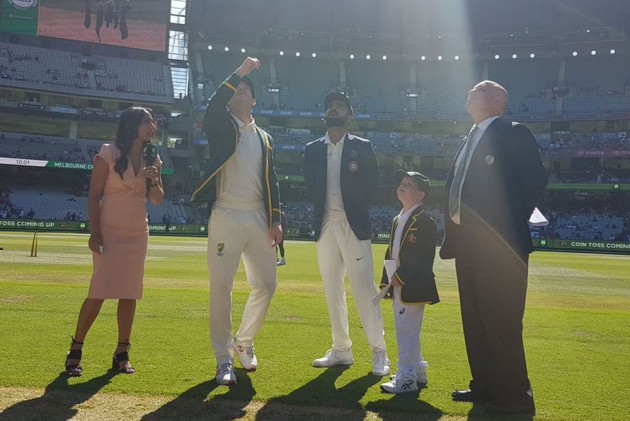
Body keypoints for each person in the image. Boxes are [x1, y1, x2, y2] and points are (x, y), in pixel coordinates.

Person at [441, 80, 547, 415]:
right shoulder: (469, 137)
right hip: (467, 246)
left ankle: (515, 392)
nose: (468, 93)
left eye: (477, 90)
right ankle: (485, 385)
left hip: (499, 247)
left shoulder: (513, 132)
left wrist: (501, 225)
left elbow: (535, 181)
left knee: (502, 318)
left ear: (497, 100)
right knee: (474, 318)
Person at [190, 57, 282, 386]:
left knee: (267, 285)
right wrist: (240, 72)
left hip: (258, 215)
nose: (241, 91)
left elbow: (272, 179)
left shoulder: (265, 138)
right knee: (221, 286)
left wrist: (276, 219)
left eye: (246, 89)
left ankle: (244, 340)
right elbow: (213, 106)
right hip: (226, 212)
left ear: (254, 100)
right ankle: (222, 358)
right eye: (237, 88)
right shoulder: (220, 124)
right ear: (230, 95)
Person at [64, 107, 163, 377]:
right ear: (132, 124)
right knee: (99, 291)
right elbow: (94, 196)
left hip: (137, 233)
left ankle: (122, 352)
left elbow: (156, 199)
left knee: (130, 293)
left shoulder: (152, 157)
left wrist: (153, 180)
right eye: (146, 121)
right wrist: (95, 233)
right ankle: (76, 347)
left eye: (153, 121)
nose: (152, 126)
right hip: (108, 232)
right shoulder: (107, 153)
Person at [304, 92, 389, 377]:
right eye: (330, 105)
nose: (334, 108)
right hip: (325, 225)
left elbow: (374, 187)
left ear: (349, 116)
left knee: (365, 290)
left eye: (340, 106)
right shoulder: (313, 148)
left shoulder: (362, 147)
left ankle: (379, 350)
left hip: (354, 225)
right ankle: (341, 349)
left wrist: (353, 206)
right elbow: (310, 186)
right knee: (332, 290)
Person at [379, 170, 439, 394]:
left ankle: (405, 378)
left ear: (421, 194)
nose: (401, 186)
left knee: (406, 331)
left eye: (408, 184)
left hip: (412, 286)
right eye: (401, 183)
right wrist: (387, 280)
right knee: (408, 329)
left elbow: (423, 259)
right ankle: (417, 371)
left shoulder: (425, 222)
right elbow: (392, 252)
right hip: (398, 284)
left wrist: (400, 277)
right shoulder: (398, 218)